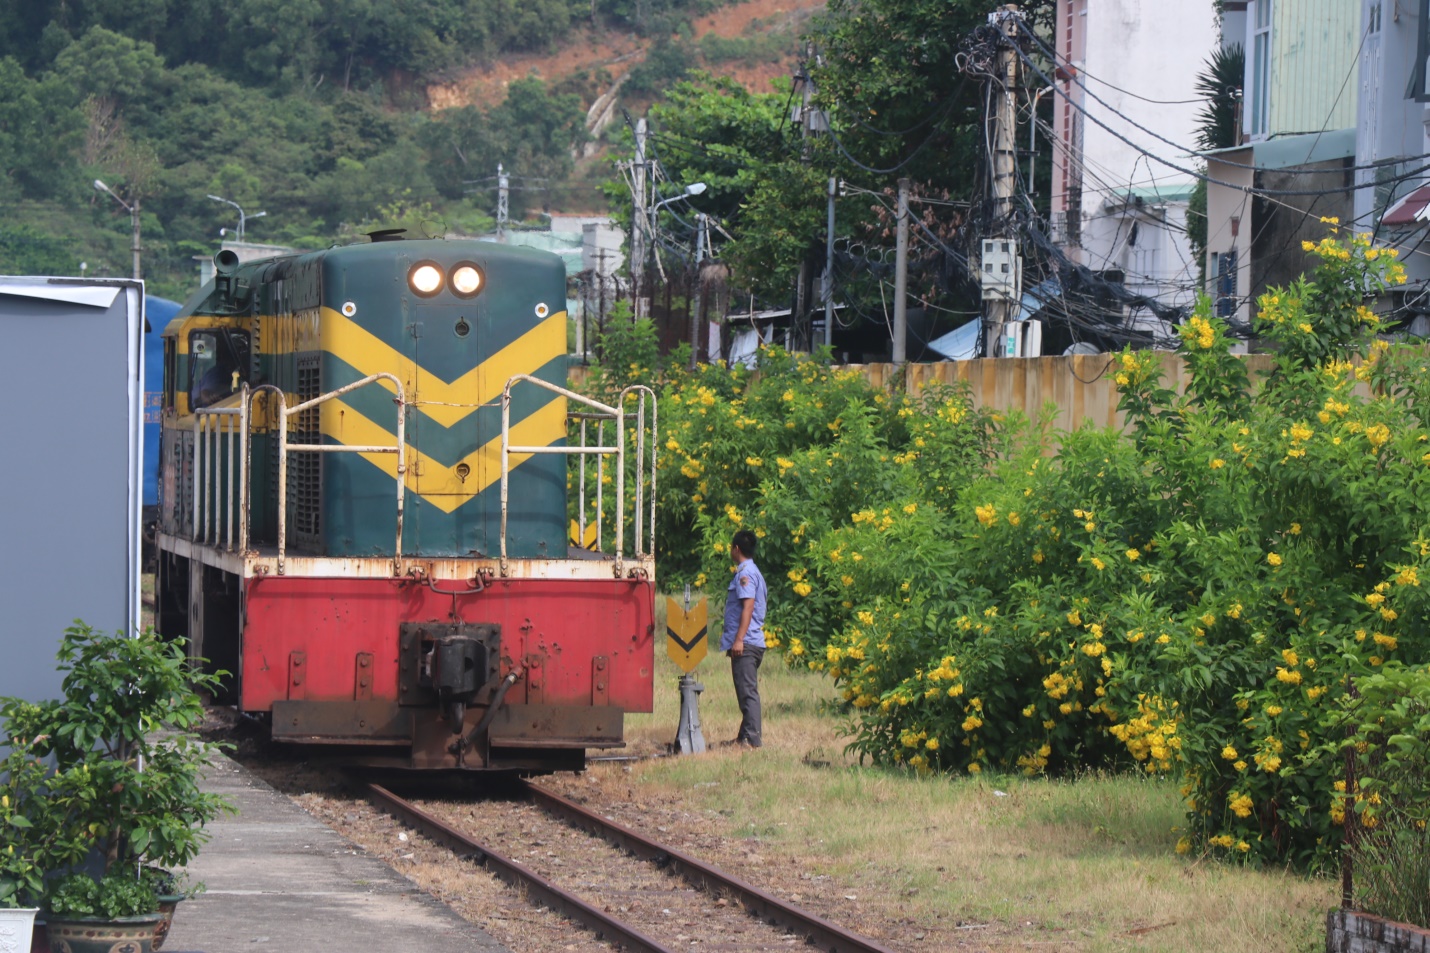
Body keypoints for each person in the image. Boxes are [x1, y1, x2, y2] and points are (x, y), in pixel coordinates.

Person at [720, 529, 767, 748]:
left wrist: (739, 639)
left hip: (746, 643)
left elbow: (748, 607)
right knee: (744, 691)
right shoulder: (754, 571)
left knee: (747, 693)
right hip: (751, 641)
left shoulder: (745, 574)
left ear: (736, 549)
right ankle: (744, 736)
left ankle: (752, 739)